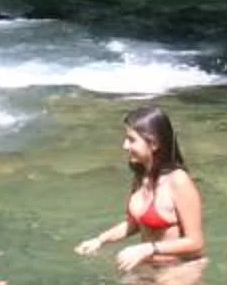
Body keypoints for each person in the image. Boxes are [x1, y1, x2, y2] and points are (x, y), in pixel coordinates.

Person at [74, 104, 206, 271]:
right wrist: (100, 240)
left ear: (154, 144)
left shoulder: (179, 181)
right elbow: (135, 224)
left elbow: (196, 243)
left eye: (131, 139)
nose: (124, 146)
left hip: (179, 268)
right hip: (148, 263)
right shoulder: (140, 177)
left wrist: (148, 248)